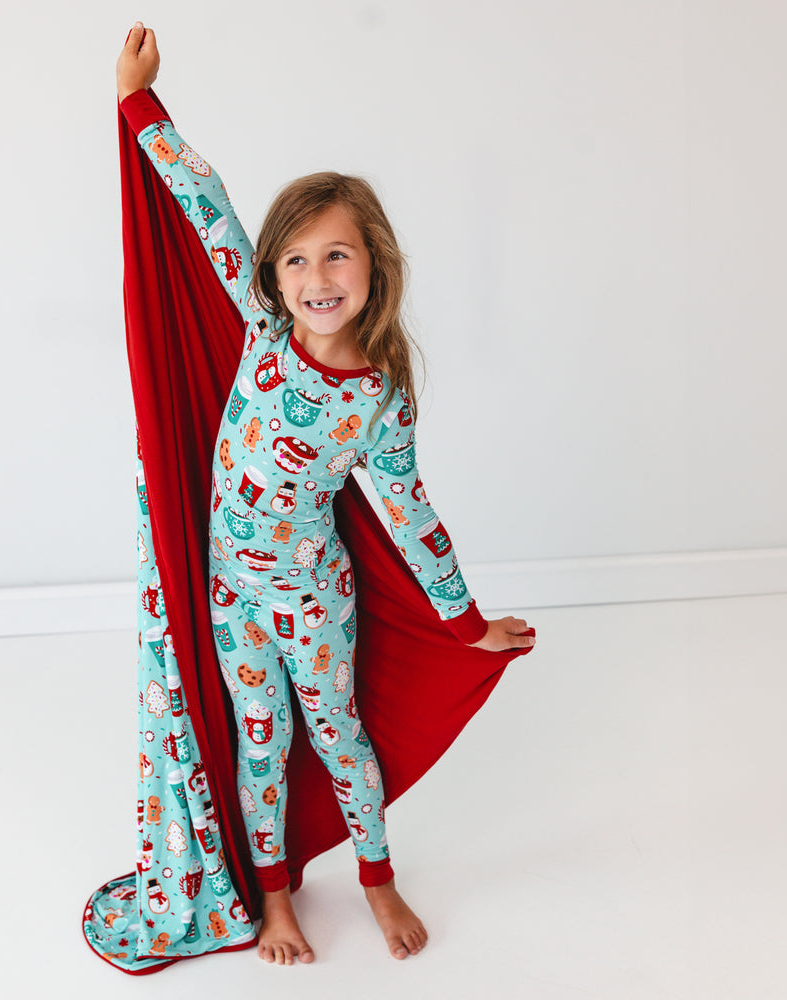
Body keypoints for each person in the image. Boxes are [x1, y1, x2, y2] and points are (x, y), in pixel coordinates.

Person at [115, 21, 536, 966]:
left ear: (374, 266)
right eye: (298, 259)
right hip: (230, 592)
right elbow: (209, 206)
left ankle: (378, 879)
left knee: (337, 736)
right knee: (258, 751)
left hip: (312, 597)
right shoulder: (262, 331)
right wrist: (142, 105)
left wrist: (464, 620)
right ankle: (275, 900)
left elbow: (410, 513)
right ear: (273, 274)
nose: (316, 278)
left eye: (337, 256)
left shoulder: (376, 396)